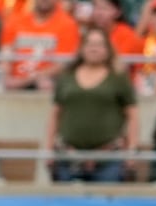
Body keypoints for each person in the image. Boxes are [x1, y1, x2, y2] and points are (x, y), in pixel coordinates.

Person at [48, 26, 137, 184]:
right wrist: (48, 149)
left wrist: (131, 150)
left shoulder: (118, 78)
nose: (94, 48)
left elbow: (133, 115)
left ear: (108, 49)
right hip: (69, 157)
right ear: (81, 48)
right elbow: (55, 114)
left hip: (108, 158)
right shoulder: (66, 77)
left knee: (107, 205)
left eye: (99, 44)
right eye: (89, 44)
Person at [0, 0, 78, 92]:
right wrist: (5, 75)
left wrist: (26, 80)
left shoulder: (67, 25)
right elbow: (6, 53)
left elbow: (62, 64)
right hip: (14, 80)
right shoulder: (15, 21)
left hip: (47, 82)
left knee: (46, 84)